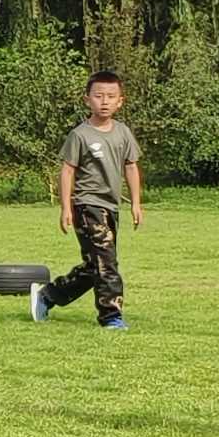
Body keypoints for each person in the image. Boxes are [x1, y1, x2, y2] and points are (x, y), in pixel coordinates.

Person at [48, 70, 142, 327]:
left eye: (111, 96)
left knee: (96, 265)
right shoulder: (80, 135)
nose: (104, 101)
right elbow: (67, 171)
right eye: (98, 96)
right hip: (87, 205)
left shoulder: (123, 133)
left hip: (111, 206)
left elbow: (131, 167)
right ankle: (111, 316)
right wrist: (65, 208)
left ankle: (50, 294)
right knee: (107, 262)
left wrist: (135, 203)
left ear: (120, 101)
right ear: (87, 99)